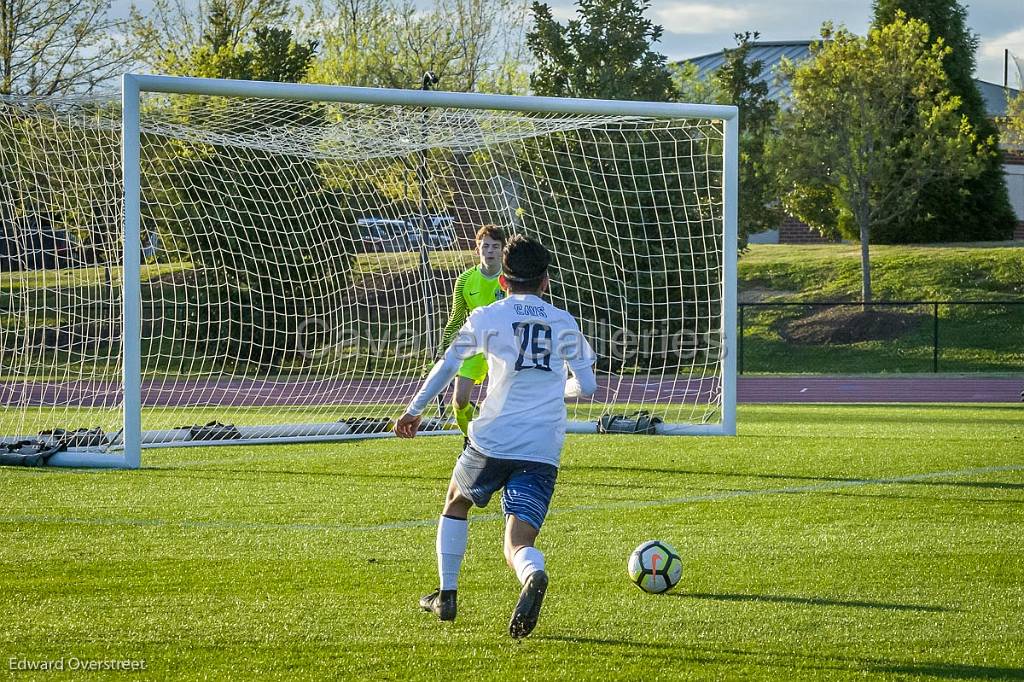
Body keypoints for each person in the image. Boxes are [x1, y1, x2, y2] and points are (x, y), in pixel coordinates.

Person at [395, 234, 598, 639]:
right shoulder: (562, 321)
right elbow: (587, 386)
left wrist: (414, 411)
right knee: (518, 541)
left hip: (493, 438)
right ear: (546, 282)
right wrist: (557, 389)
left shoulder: (487, 316)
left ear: (503, 282)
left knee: (456, 501)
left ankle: (446, 595)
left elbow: (449, 365)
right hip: (542, 446)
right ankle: (533, 573)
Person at [439, 225, 506, 437]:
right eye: (485, 246)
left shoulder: (511, 278)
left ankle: (501, 445)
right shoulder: (465, 280)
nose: (490, 251)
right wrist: (444, 350)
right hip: (474, 345)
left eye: (495, 246)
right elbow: (457, 318)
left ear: (503, 250)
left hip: (505, 347)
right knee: (459, 402)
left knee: (501, 403)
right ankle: (470, 441)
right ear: (477, 250)